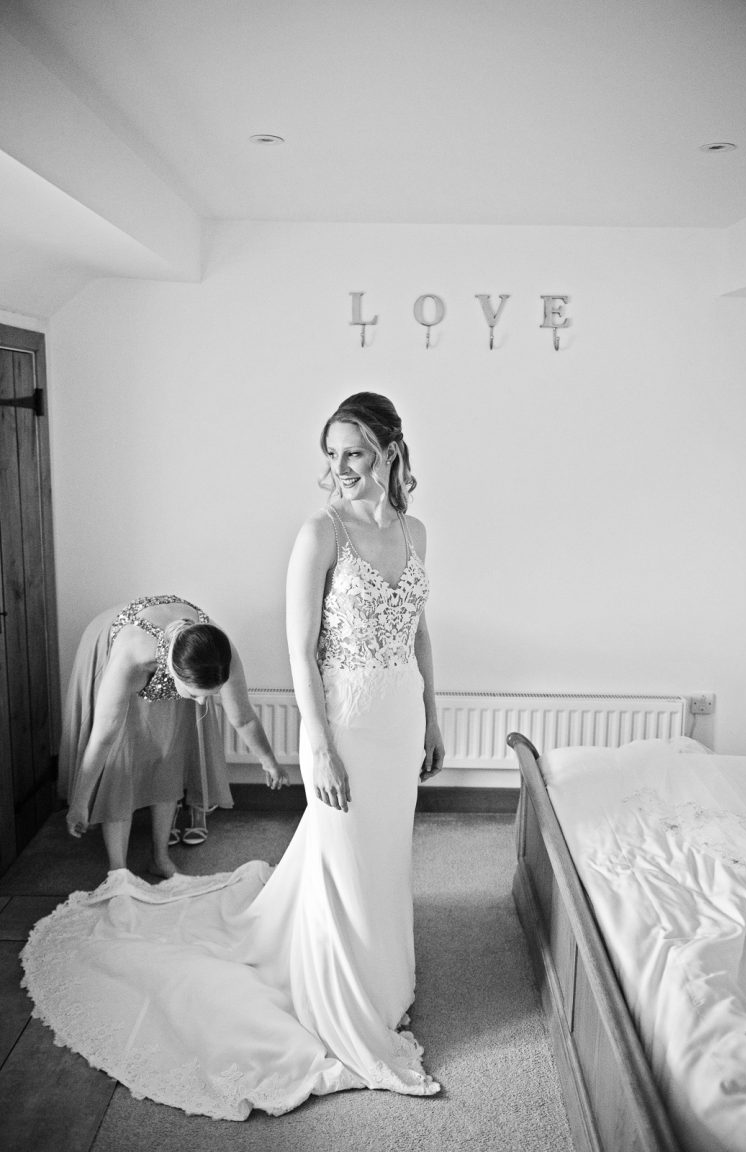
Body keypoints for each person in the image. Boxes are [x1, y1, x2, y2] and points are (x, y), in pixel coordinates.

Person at [21, 396, 443, 1119]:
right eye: (332, 453)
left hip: (399, 717)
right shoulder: (320, 534)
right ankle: (342, 1007)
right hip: (341, 721)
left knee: (383, 854)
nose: (339, 469)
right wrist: (317, 742)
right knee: (342, 855)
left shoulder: (416, 532)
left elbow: (418, 632)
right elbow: (299, 648)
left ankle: (380, 981)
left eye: (356, 453)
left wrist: (434, 715)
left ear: (391, 452)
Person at [59, 595, 286, 876]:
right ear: (173, 673)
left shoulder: (219, 652)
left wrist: (269, 761)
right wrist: (80, 802)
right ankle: (118, 871)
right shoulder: (132, 659)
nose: (201, 705)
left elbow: (243, 717)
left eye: (208, 696)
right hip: (112, 638)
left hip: (181, 649)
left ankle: (160, 857)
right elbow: (103, 736)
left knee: (169, 754)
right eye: (194, 695)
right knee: (121, 756)